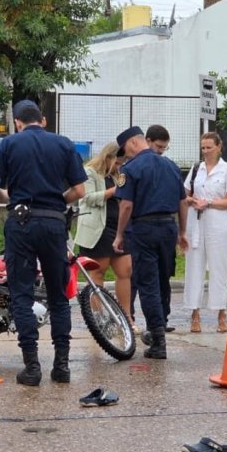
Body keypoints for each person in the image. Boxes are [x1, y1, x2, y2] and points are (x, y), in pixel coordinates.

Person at [0, 99, 87, 386]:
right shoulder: (64, 143)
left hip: (21, 225)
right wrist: (57, 202)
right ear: (42, 120)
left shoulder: (9, 144)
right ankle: (62, 366)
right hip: (54, 224)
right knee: (58, 295)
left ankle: (32, 367)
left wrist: (13, 198)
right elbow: (79, 190)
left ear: (18, 122)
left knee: (21, 294)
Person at [113, 126, 188, 360]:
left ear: (133, 142)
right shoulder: (171, 166)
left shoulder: (130, 169)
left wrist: (119, 234)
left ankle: (157, 340)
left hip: (143, 229)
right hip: (168, 227)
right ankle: (160, 326)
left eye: (125, 150)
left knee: (148, 284)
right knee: (163, 280)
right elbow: (183, 202)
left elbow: (126, 205)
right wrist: (182, 231)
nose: (126, 154)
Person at [73, 142, 134, 332]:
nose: (119, 167)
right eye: (118, 163)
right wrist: (114, 191)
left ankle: (126, 318)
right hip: (97, 229)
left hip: (118, 228)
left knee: (125, 271)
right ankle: (98, 319)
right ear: (108, 158)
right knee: (97, 273)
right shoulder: (90, 172)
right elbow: (88, 198)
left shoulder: (120, 175)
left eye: (123, 163)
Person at [183, 132, 227, 334]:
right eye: (203, 148)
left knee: (219, 267)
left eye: (209, 147)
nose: (206, 151)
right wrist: (192, 201)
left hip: (218, 222)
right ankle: (194, 314)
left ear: (219, 147)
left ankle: (221, 314)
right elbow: (185, 195)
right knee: (194, 267)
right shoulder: (196, 169)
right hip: (196, 222)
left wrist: (208, 202)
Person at [145, 124, 176, 333]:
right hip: (145, 226)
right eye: (158, 146)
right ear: (147, 141)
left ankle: (161, 320)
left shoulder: (171, 167)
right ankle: (153, 323)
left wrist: (182, 231)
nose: (161, 151)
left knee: (164, 276)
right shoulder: (137, 166)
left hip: (165, 225)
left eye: (164, 148)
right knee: (148, 278)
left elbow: (181, 200)